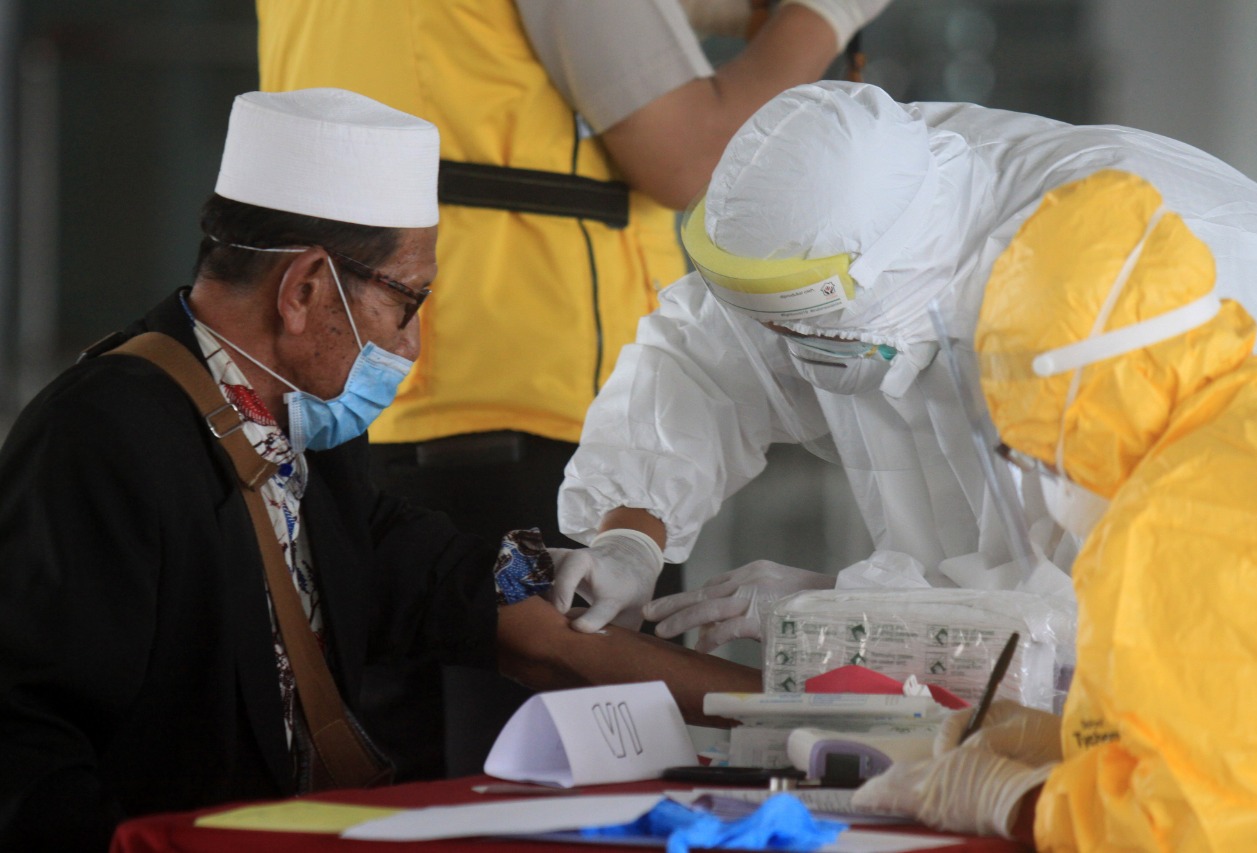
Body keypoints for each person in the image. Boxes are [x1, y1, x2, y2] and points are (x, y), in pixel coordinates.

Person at [0, 87, 759, 852]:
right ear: (303, 290)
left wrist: (802, 716)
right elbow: (25, 745)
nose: (413, 344)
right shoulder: (101, 437)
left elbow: (509, 616)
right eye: (408, 300)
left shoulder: (303, 429)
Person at [556, 80, 1257, 647]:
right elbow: (704, 362)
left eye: (798, 325)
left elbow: (1130, 619)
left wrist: (852, 619)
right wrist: (629, 535)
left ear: (882, 278)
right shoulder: (848, 205)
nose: (779, 341)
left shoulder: (1116, 288)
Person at [254, 0, 892, 598]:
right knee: (572, 705)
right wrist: (825, 14)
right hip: (534, 413)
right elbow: (688, 152)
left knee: (398, 704)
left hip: (353, 397)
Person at [847, 168, 1257, 849]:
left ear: (1083, 407)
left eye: (1042, 454)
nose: (1047, 478)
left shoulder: (1174, 524)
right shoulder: (1256, 409)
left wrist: (1014, 799)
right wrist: (1076, 746)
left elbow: (1197, 827)